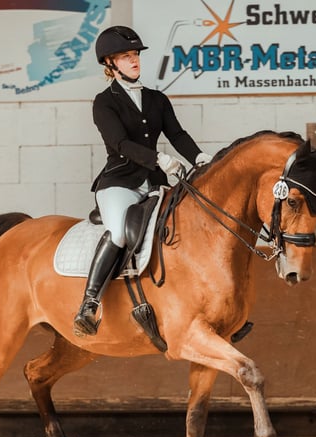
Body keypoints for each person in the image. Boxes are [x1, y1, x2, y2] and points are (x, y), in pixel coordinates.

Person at [73, 25, 213, 337]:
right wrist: (158, 158)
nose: (134, 60)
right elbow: (120, 143)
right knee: (120, 232)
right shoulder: (104, 102)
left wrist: (200, 157)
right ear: (110, 64)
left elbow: (176, 134)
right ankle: (89, 302)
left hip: (154, 182)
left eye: (135, 54)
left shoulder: (156, 99)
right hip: (119, 182)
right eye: (126, 56)